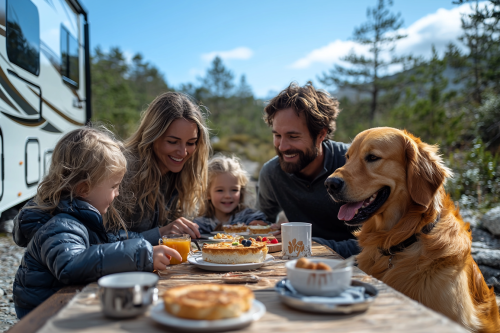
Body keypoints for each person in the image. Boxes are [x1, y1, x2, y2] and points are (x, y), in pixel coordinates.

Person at [12, 127, 181, 319]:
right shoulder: (60, 224)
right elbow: (71, 265)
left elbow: (109, 240)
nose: (117, 194)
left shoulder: (78, 217)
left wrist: (155, 240)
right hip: (45, 315)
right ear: (84, 188)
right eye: (114, 186)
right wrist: (143, 253)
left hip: (66, 305)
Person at [257, 82, 360, 258]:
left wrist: (311, 244)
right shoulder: (272, 173)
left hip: (362, 270)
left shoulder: (355, 165)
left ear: (321, 135)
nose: (282, 146)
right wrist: (256, 223)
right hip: (300, 266)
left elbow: (381, 244)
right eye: (277, 135)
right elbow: (261, 219)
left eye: (293, 136)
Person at [111, 92, 210, 243]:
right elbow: (101, 239)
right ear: (152, 135)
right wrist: (160, 234)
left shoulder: (183, 175)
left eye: (191, 143)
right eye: (172, 142)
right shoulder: (122, 171)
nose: (183, 152)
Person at [193, 154, 269, 234]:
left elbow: (265, 227)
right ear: (207, 193)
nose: (228, 196)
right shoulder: (200, 225)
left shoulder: (250, 217)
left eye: (234, 190)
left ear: (241, 191)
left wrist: (258, 226)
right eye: (220, 190)